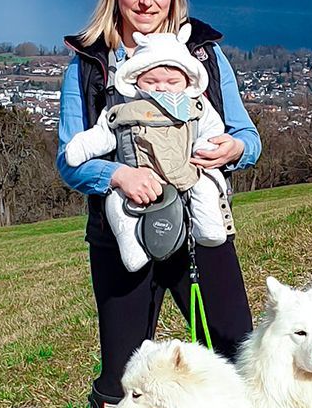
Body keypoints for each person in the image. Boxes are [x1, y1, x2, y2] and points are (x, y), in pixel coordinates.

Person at [55, 0, 261, 408]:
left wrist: (233, 147)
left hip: (200, 231)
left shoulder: (203, 58)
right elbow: (68, 159)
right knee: (122, 375)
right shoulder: (89, 67)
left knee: (236, 350)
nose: (147, 0)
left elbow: (248, 137)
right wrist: (117, 175)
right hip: (122, 233)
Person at [63, 25, 233, 272]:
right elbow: (104, 133)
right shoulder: (125, 109)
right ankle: (132, 247)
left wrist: (215, 149)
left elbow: (213, 129)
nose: (161, 87)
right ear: (136, 79)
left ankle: (208, 229)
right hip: (139, 182)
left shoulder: (195, 106)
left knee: (206, 186)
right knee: (117, 202)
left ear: (187, 80)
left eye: (172, 81)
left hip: (187, 171)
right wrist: (87, 151)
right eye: (151, 81)